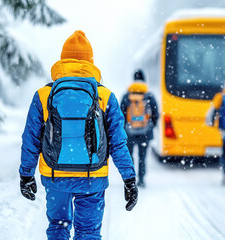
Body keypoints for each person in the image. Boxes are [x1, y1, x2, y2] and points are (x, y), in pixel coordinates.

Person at [19, 30, 138, 240]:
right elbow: (118, 144)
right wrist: (129, 179)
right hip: (93, 176)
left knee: (58, 226)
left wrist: (26, 174)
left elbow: (31, 139)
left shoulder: (43, 95)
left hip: (55, 173)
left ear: (63, 60)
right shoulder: (105, 96)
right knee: (88, 232)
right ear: (91, 62)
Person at [120, 70, 159, 188]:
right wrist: (152, 125)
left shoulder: (127, 95)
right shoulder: (149, 95)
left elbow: (121, 113)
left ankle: (130, 179)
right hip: (145, 132)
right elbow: (155, 113)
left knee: (130, 156)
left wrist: (125, 127)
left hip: (129, 132)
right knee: (142, 157)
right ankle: (141, 179)